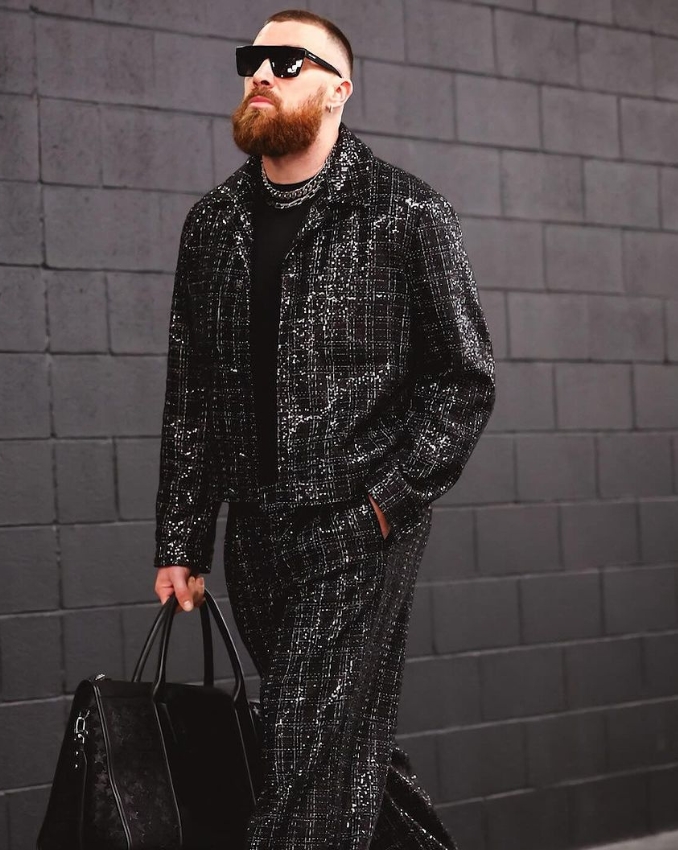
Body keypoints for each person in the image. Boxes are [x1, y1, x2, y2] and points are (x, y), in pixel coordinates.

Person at [153, 9, 495, 849]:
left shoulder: (404, 212)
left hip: (356, 531)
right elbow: (192, 393)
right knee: (336, 752)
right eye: (253, 59)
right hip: (255, 537)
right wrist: (183, 538)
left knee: (304, 773)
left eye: (288, 61)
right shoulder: (213, 225)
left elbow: (465, 381)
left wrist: (384, 505)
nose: (261, 74)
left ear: (340, 89)